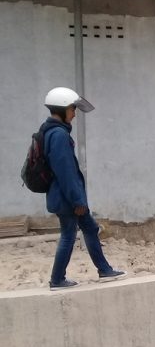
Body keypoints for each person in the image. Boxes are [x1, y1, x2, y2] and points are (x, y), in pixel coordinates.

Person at [41, 87, 125, 290]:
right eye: (72, 109)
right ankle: (57, 279)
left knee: (90, 228)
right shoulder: (59, 135)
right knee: (69, 235)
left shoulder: (52, 132)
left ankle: (104, 269)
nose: (74, 113)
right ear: (61, 110)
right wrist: (78, 201)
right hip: (67, 198)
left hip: (66, 195)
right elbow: (66, 172)